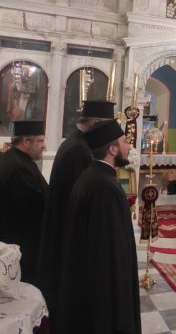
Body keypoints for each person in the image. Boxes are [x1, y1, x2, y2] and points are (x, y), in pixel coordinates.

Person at [57, 119, 141, 334]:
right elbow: (111, 249)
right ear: (112, 149)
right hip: (104, 288)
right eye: (125, 141)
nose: (129, 146)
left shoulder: (93, 177)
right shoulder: (105, 187)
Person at [37, 100, 115, 330]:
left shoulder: (76, 143)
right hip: (69, 233)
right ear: (94, 123)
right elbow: (83, 197)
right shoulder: (78, 150)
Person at [0, 120, 47, 284]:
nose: (44, 146)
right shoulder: (19, 168)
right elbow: (36, 208)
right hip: (19, 246)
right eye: (40, 141)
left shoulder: (13, 159)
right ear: (26, 142)